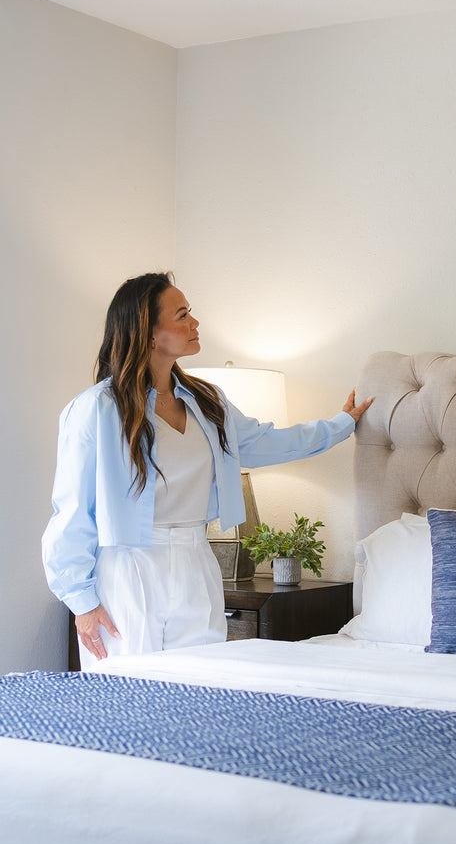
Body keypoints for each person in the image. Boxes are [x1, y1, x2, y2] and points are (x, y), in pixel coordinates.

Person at [42, 271, 372, 671]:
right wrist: (82, 602)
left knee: (201, 684)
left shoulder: (207, 400)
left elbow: (265, 442)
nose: (195, 323)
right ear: (148, 332)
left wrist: (341, 424)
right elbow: (73, 510)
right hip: (129, 569)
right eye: (182, 315)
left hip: (197, 560)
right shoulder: (96, 409)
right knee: (129, 695)